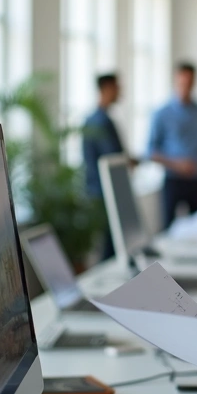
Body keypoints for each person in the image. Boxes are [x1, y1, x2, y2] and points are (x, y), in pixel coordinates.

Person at [147, 62, 197, 228]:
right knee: (169, 229)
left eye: (189, 83)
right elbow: (150, 151)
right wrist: (177, 165)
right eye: (182, 82)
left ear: (195, 82)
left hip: (196, 179)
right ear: (175, 81)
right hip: (173, 180)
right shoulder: (161, 114)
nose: (185, 87)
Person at [82, 73, 129, 261]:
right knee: (110, 247)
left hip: (100, 190)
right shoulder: (100, 122)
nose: (120, 91)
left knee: (111, 245)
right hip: (104, 193)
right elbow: (112, 158)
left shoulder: (97, 119)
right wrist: (130, 161)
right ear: (107, 88)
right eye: (117, 86)